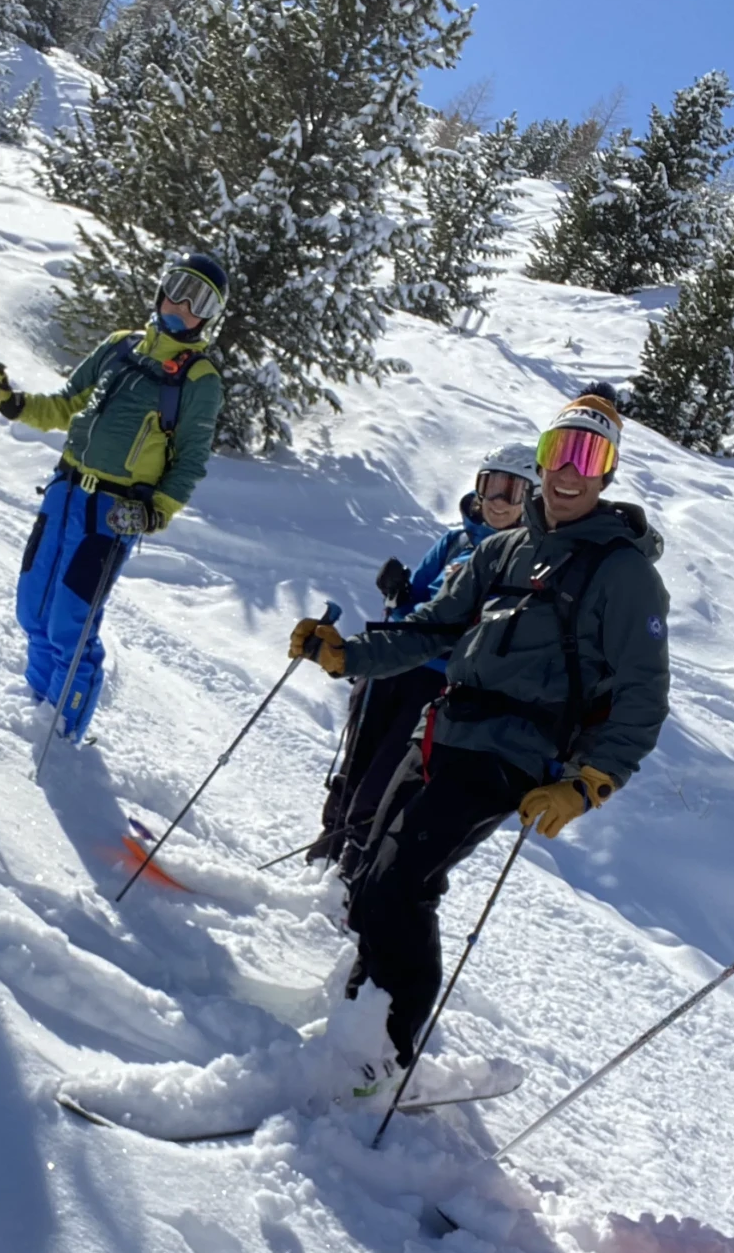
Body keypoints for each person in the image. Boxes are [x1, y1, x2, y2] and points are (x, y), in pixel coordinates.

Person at [287, 392, 670, 1087]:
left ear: (607, 472)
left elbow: (642, 700)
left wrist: (588, 783)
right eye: (560, 449)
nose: (569, 469)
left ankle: (385, 1050)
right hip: (442, 728)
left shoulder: (623, 574)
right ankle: (358, 1011)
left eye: (589, 456)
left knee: (401, 883)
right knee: (373, 869)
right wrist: (349, 655)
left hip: (513, 754)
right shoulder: (502, 549)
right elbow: (430, 626)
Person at [0, 253, 225, 743]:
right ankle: (36, 709)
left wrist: (155, 511)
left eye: (199, 299)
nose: (182, 303)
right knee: (33, 610)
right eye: (177, 286)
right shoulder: (119, 347)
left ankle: (60, 736)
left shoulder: (199, 379)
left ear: (209, 315)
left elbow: (190, 460)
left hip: (113, 513)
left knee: (71, 625)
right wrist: (10, 401)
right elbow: (65, 404)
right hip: (64, 492)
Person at [312, 443, 535, 879]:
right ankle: (321, 859)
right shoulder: (457, 540)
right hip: (391, 668)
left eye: (512, 492)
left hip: (437, 685)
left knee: (381, 782)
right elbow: (417, 600)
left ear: (532, 499)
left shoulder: (520, 561)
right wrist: (399, 591)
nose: (498, 502)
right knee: (355, 763)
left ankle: (349, 879)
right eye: (491, 487)